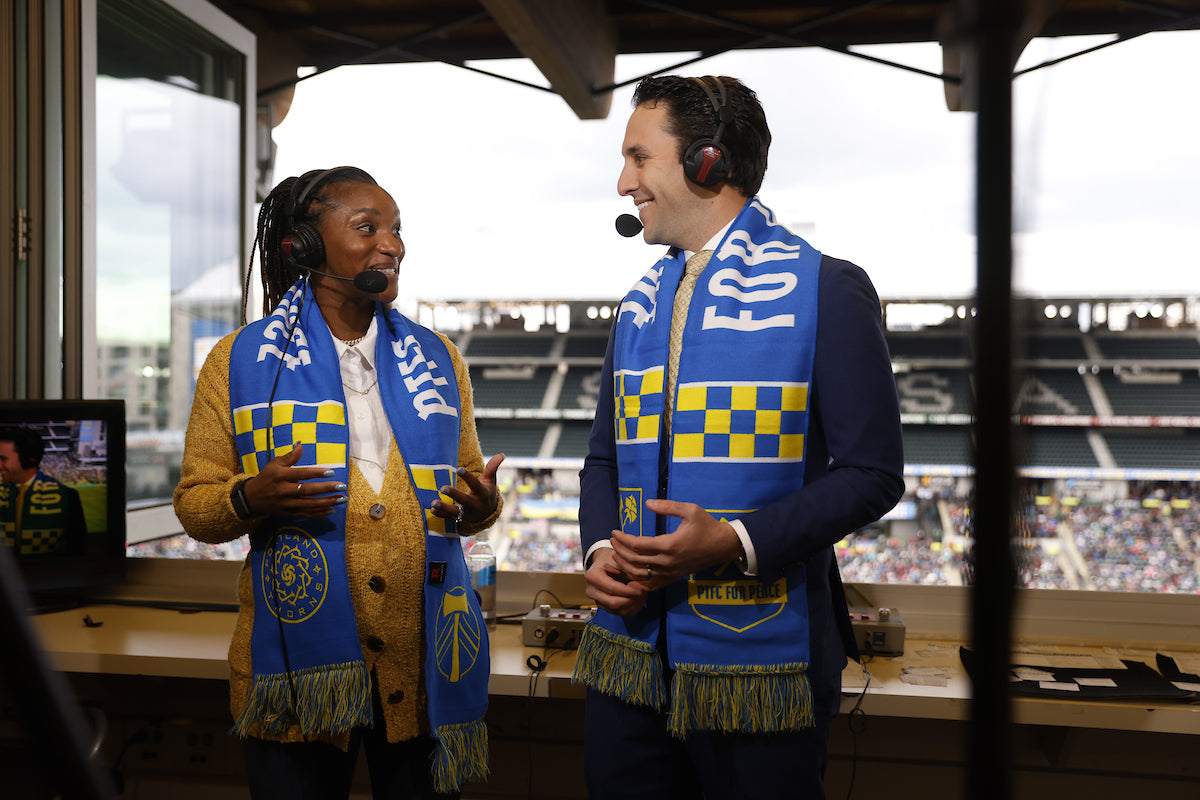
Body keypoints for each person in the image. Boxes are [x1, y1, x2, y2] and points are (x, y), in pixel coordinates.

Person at [573, 76, 905, 799]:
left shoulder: (828, 289)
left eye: (638, 157)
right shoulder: (637, 306)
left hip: (765, 675)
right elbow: (602, 457)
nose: (623, 180)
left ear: (707, 161)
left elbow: (872, 474)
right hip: (628, 665)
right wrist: (601, 549)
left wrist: (730, 542)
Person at [173, 166, 503, 800]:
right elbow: (196, 507)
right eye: (367, 227)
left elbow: (467, 496)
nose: (394, 243)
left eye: (397, 228)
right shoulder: (236, 363)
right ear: (305, 245)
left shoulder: (439, 359)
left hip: (425, 665)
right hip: (296, 681)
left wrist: (482, 505)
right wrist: (249, 496)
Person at [0, 426, 88, 557]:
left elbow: (77, 551)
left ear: (29, 459)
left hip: (49, 574)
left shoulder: (68, 496)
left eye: (3, 458)